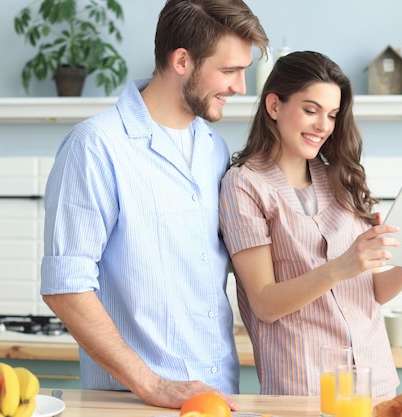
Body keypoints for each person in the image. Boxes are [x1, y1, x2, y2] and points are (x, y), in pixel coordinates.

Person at [39, 0, 268, 410]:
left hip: (219, 394)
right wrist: (153, 386)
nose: (240, 87)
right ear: (182, 60)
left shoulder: (214, 150)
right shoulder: (96, 145)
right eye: (230, 70)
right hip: (134, 402)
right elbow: (66, 286)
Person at [219, 51, 402, 398]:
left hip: (375, 384)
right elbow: (264, 304)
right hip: (304, 388)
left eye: (331, 115)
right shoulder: (244, 184)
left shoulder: (341, 179)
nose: (323, 126)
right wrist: (341, 266)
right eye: (310, 110)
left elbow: (370, 293)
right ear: (274, 106)